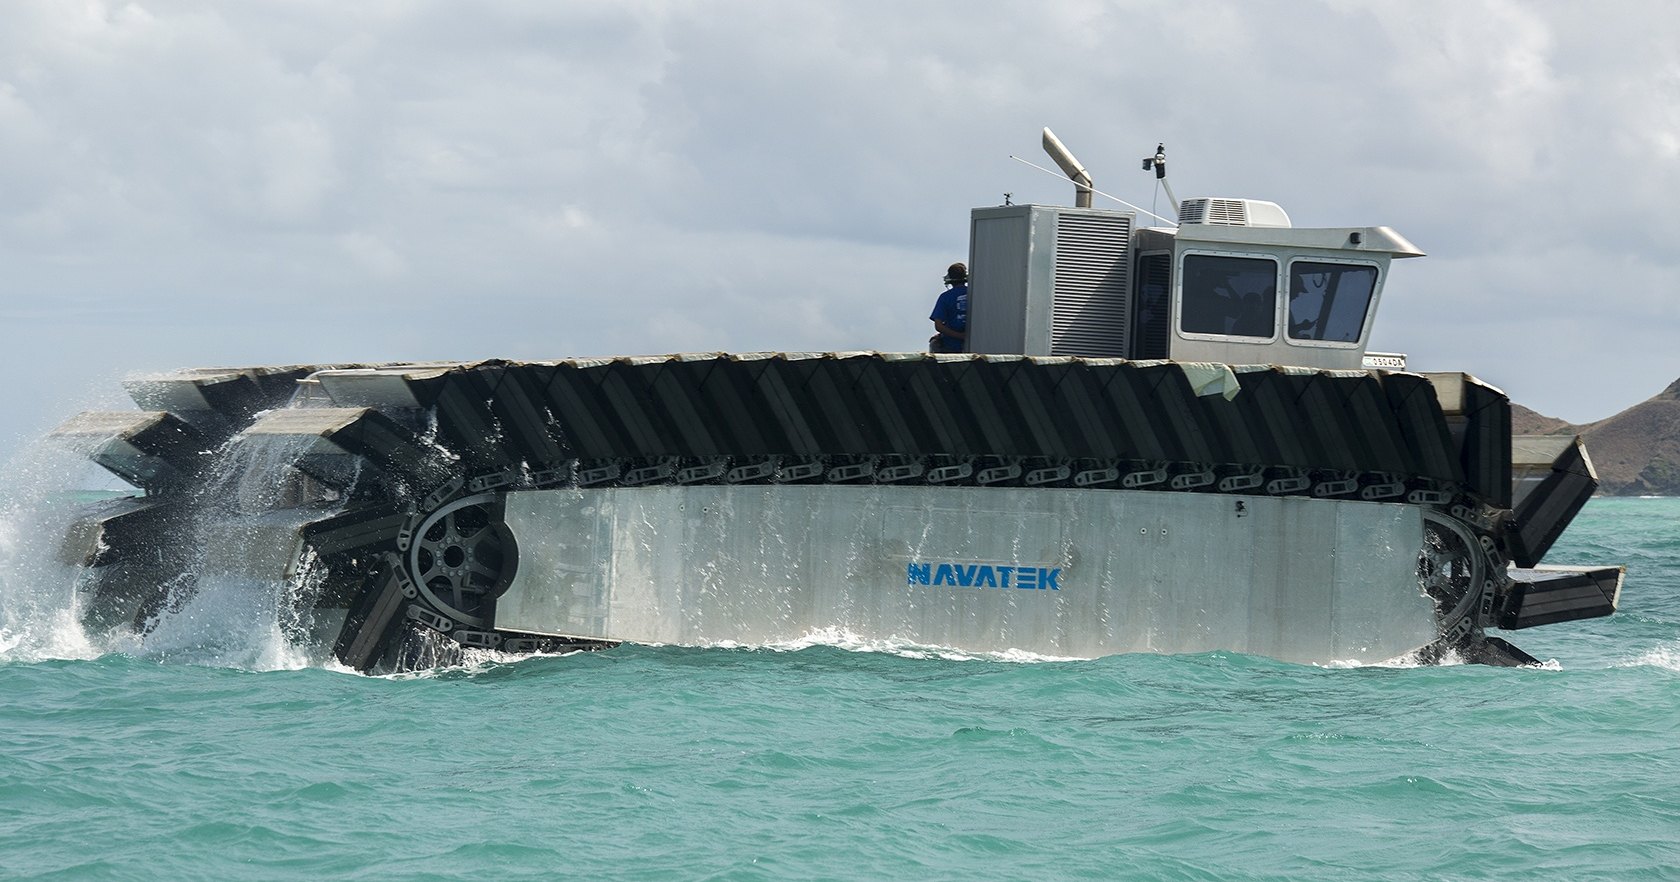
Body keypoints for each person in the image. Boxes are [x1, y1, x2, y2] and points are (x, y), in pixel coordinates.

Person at [928, 262, 969, 353]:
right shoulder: (974, 294)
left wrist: (960, 336)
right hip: (976, 342)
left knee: (934, 343)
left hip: (951, 346)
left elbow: (938, 325)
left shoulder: (945, 297)